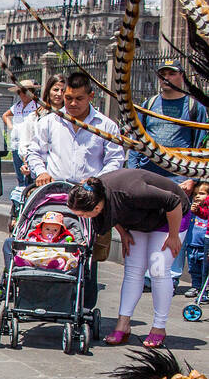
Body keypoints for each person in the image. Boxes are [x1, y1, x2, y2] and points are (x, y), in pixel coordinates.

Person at [69, 170, 189, 348]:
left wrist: (173, 235)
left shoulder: (131, 191)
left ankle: (159, 326)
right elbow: (111, 213)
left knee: (158, 269)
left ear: (95, 208)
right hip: (139, 219)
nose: (82, 219)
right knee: (133, 269)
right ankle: (123, 324)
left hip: (169, 216)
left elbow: (173, 201)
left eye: (83, 215)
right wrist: (123, 233)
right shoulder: (97, 192)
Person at [23, 71, 125, 185]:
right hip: (55, 191)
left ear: (90, 96)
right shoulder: (49, 122)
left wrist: (96, 181)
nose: (73, 103)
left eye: (79, 99)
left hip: (91, 193)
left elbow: (115, 159)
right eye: (68, 98)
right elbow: (34, 152)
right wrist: (41, 172)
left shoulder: (106, 126)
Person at [132, 62, 208, 177]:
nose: (166, 78)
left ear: (182, 76)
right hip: (147, 175)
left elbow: (200, 145)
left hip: (178, 178)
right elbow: (135, 141)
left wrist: (193, 179)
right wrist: (132, 171)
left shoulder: (195, 107)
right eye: (163, 74)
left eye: (172, 74)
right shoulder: (147, 105)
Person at [3, 79, 40, 188]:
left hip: (29, 144)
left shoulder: (37, 106)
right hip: (16, 144)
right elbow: (5, 115)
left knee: (30, 175)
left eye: (27, 91)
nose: (24, 94)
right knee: (20, 176)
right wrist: (11, 127)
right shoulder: (17, 106)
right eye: (22, 91)